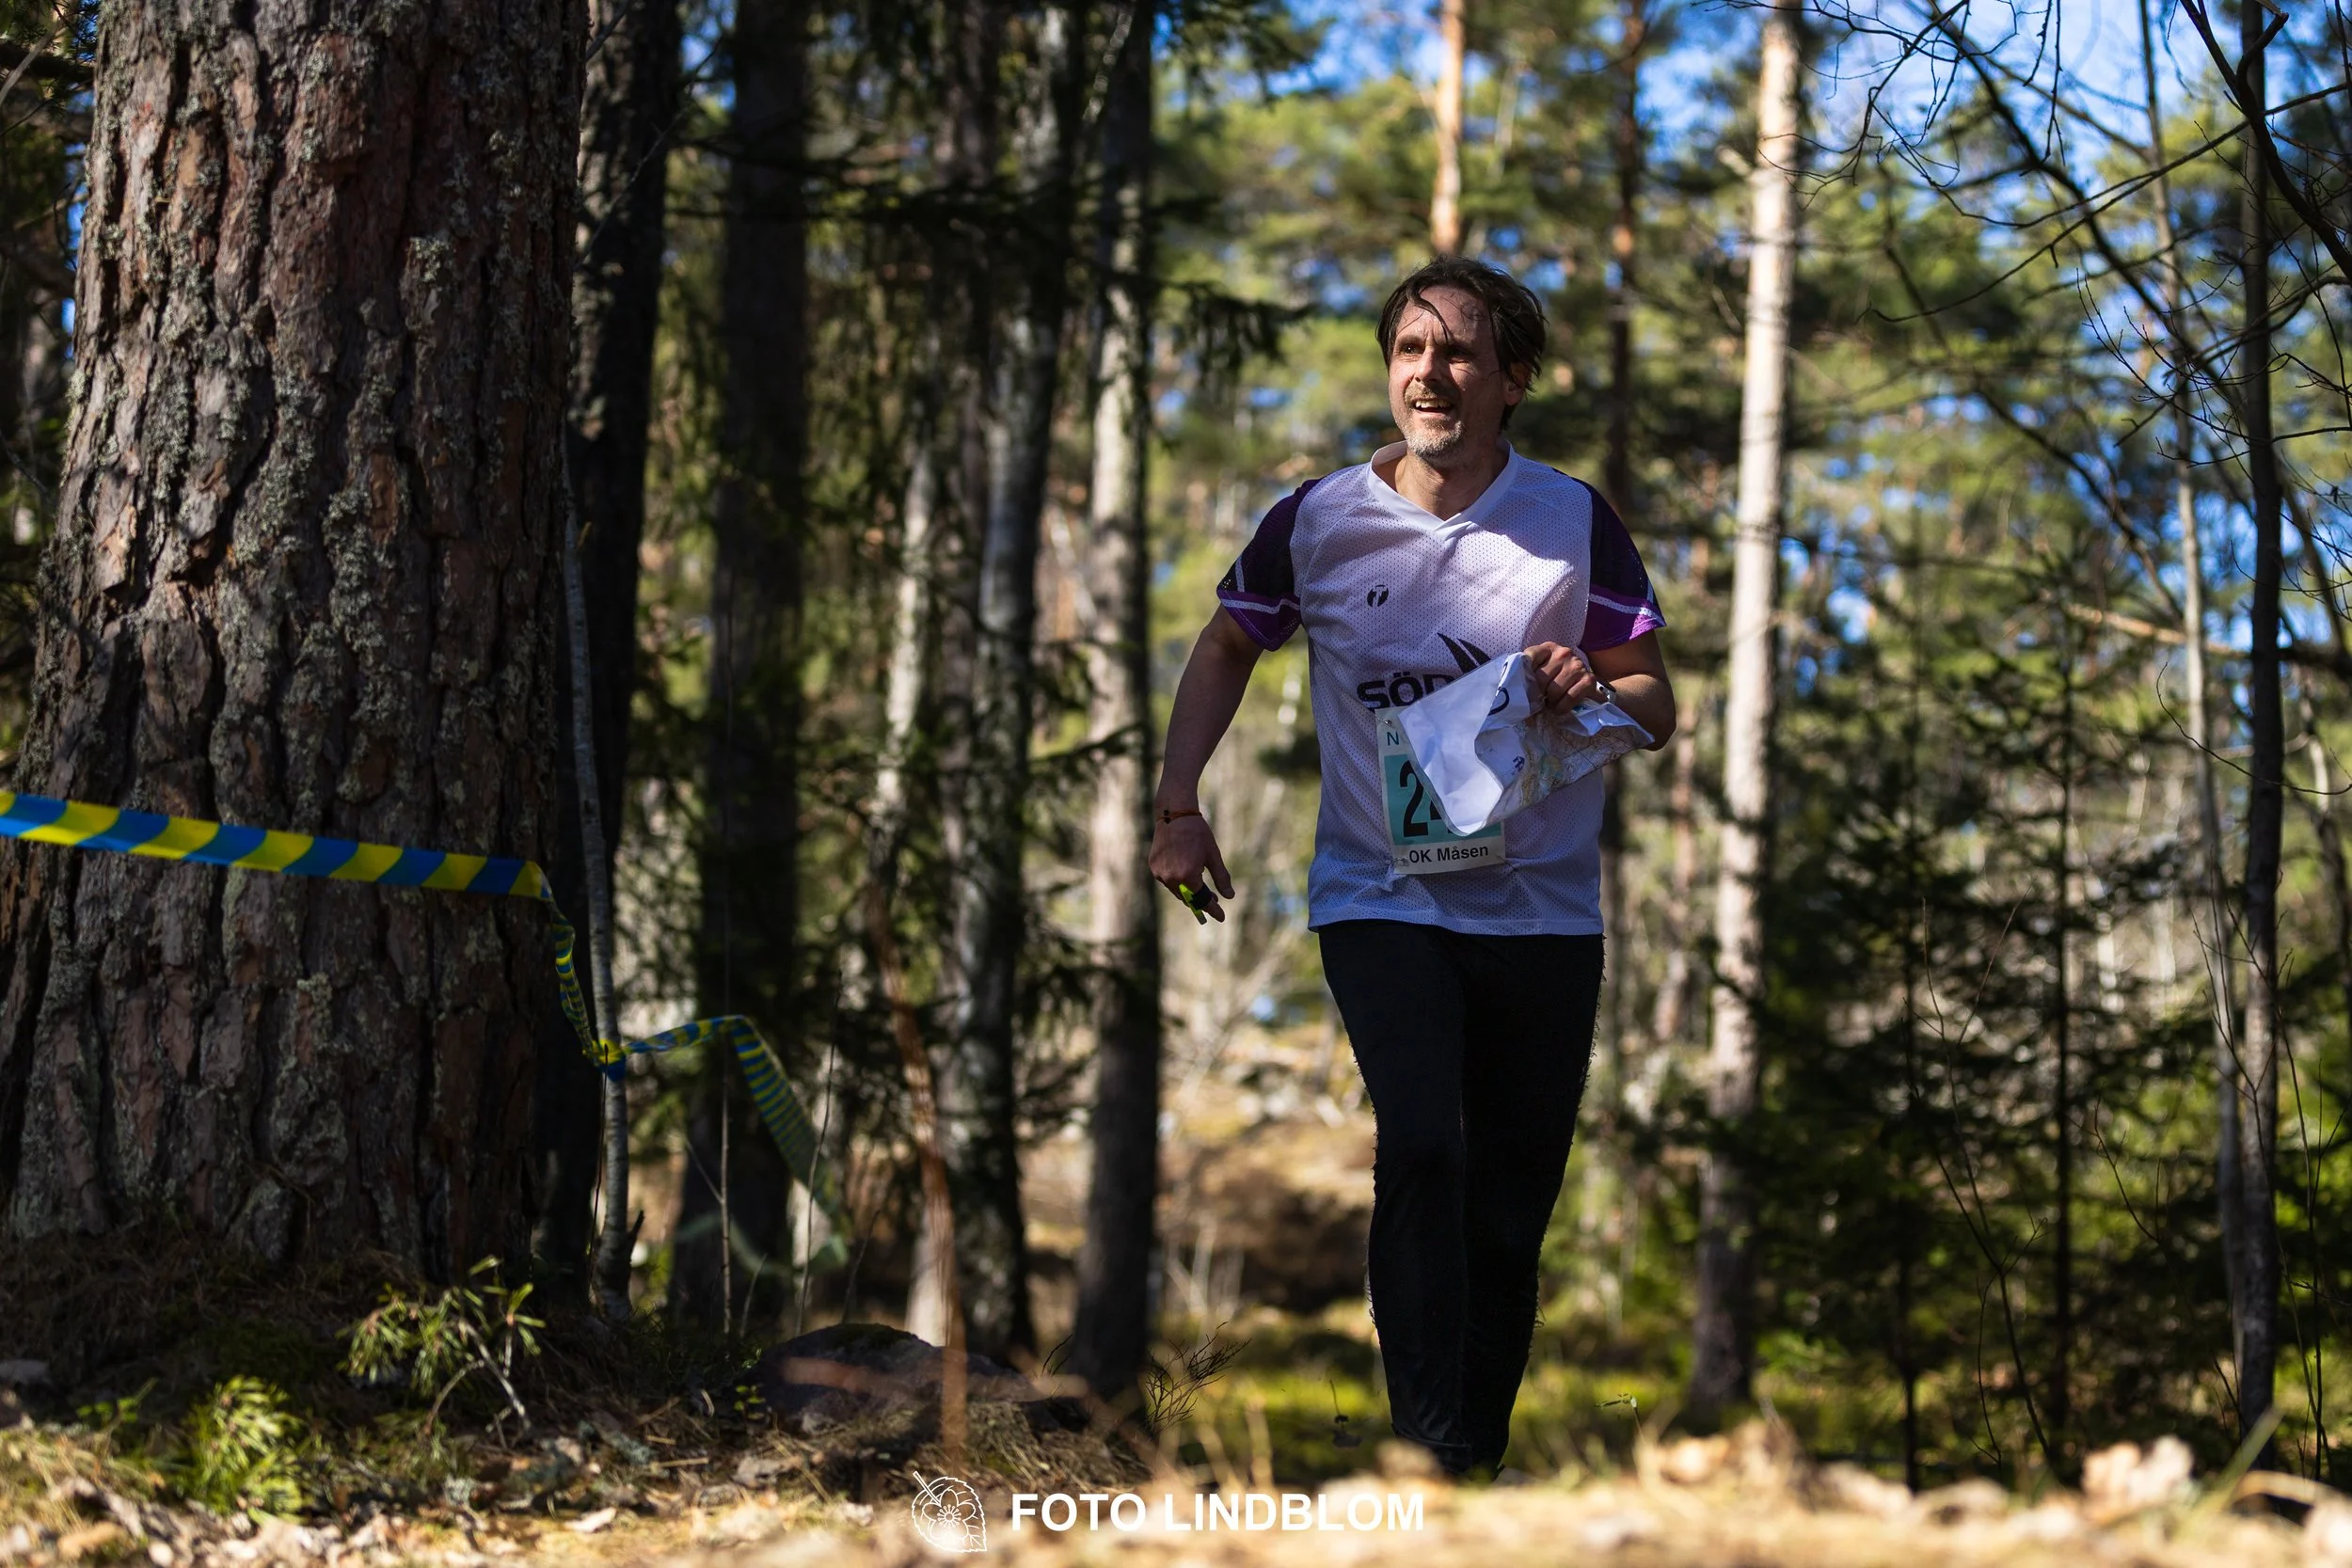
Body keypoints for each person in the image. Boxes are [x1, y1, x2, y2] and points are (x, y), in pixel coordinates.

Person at [1147, 257, 1676, 1478]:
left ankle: (1469, 1468)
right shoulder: (1320, 519)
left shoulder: (1571, 516)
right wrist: (1177, 804)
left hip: (1543, 915)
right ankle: (1424, 1454)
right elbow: (1229, 645)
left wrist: (1595, 680)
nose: (1429, 374)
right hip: (1380, 897)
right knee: (1424, 1147)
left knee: (1507, 1217)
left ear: (1512, 380)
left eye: (1460, 353)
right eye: (1410, 349)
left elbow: (1656, 703)